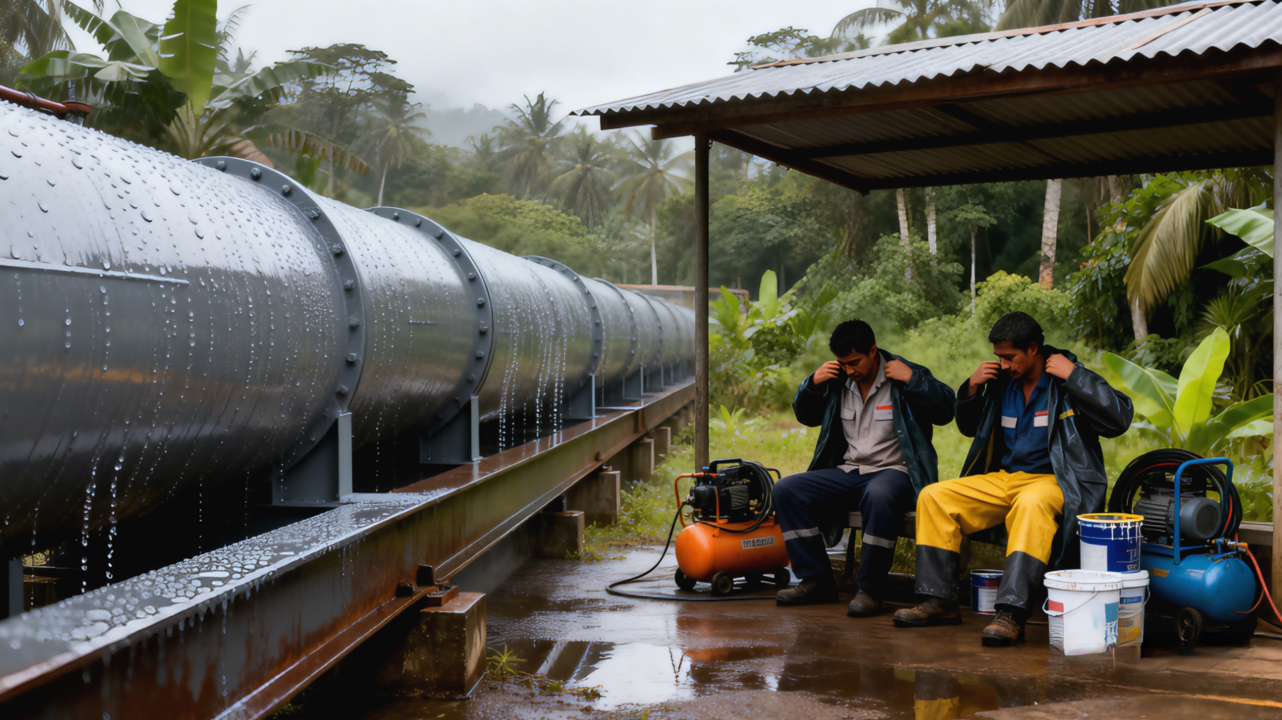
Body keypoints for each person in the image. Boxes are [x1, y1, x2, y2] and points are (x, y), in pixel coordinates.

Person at [892, 312, 1133, 645]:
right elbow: (968, 427)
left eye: (1010, 357)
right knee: (935, 496)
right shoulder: (1000, 383)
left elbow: (1120, 418)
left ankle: (1011, 612)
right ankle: (939, 600)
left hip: (1054, 481)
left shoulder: (1065, 379)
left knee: (1031, 504)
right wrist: (972, 388)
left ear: (1034, 349)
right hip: (1003, 479)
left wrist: (1075, 377)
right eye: (999, 357)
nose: (1003, 365)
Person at [774, 320, 955, 616]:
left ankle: (871, 590)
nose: (850, 370)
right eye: (843, 364)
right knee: (787, 490)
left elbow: (947, 410)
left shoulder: (904, 373)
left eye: (855, 362)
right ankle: (816, 580)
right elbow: (806, 415)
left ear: (873, 351)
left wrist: (913, 380)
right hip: (850, 472)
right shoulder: (836, 380)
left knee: (879, 494)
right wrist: (812, 384)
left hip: (897, 472)